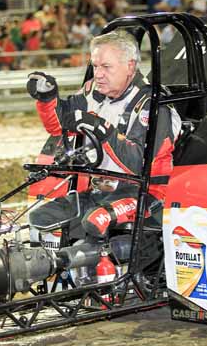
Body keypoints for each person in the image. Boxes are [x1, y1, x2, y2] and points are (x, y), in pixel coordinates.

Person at [26, 30, 181, 244]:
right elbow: (59, 126)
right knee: (40, 216)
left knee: (95, 221)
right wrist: (47, 98)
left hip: (144, 192)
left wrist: (100, 127)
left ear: (130, 66)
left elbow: (138, 164)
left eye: (106, 67)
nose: (98, 74)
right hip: (99, 190)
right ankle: (64, 262)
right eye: (95, 66)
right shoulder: (93, 92)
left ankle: (102, 263)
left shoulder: (152, 104)